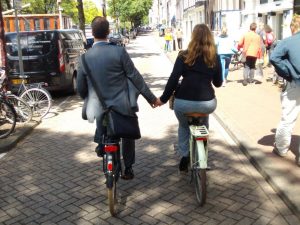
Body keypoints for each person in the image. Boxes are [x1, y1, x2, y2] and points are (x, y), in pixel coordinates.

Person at [77, 16, 159, 179]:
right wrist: (151, 98)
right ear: (109, 32)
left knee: (102, 120)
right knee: (127, 133)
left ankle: (101, 144)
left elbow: (81, 88)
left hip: (98, 107)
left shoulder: (84, 58)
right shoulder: (119, 51)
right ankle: (128, 168)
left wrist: (87, 97)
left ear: (92, 33)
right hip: (122, 105)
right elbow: (135, 77)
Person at [156, 24, 222, 171]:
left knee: (184, 126)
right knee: (204, 123)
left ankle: (185, 155)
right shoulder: (214, 58)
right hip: (207, 103)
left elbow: (173, 79)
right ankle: (202, 155)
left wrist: (163, 99)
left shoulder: (183, 56)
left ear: (192, 38)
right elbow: (218, 83)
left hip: (183, 103)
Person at [270, 14, 300, 166]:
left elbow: (274, 58)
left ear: (293, 27)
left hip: (295, 83)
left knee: (288, 118)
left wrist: (287, 71)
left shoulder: (288, 41)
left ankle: (281, 148)